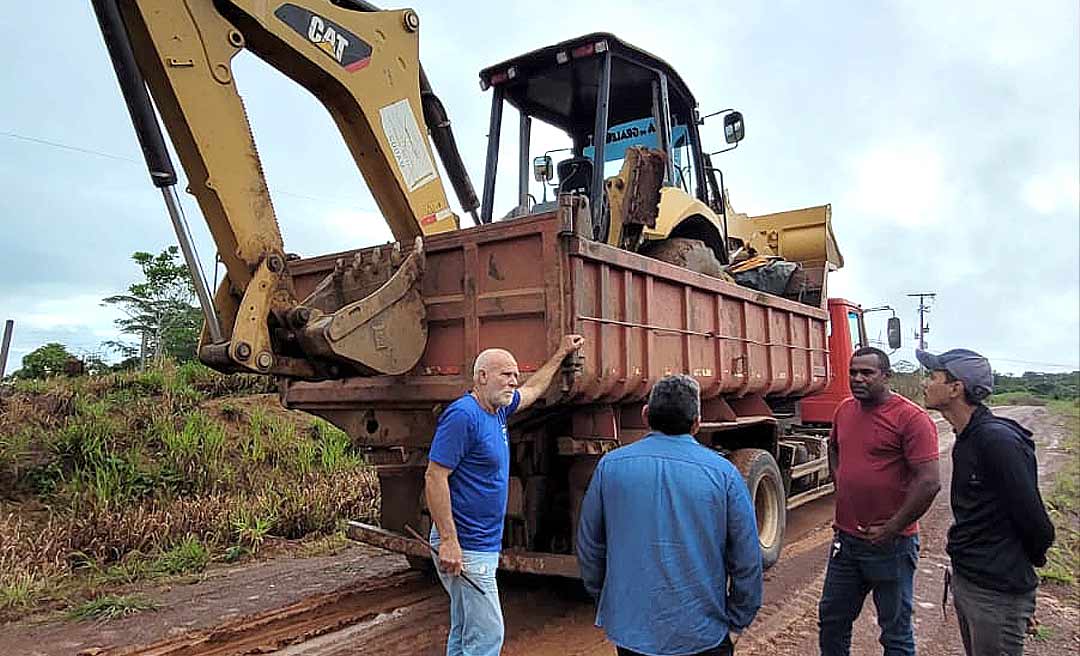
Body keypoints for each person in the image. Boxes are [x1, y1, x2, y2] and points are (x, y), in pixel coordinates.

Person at [576, 374, 763, 656]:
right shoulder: (724, 474)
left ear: (646, 414)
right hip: (704, 634)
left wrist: (610, 599)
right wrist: (738, 622)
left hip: (632, 633)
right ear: (697, 422)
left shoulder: (611, 467)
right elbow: (747, 558)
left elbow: (589, 547)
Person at [424, 334, 585, 656]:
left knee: (466, 629)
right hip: (466, 546)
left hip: (476, 544)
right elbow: (434, 476)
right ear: (482, 377)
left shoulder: (496, 409)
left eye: (514, 374)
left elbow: (534, 390)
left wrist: (561, 353)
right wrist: (449, 541)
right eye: (505, 374)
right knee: (487, 637)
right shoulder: (463, 415)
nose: (513, 381)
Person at [917, 348, 1054, 656]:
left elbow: (1037, 525)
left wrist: (1017, 582)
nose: (926, 383)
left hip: (996, 592)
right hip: (971, 581)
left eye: (933, 376)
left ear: (956, 388)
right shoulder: (966, 438)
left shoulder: (997, 441)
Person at [818, 347, 942, 656]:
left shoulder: (912, 418)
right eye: (853, 372)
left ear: (886, 376)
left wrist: (892, 527)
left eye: (867, 373)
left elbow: (929, 482)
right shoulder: (844, 410)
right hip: (846, 542)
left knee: (895, 633)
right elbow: (833, 448)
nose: (857, 379)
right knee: (832, 620)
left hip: (892, 546)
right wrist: (841, 482)